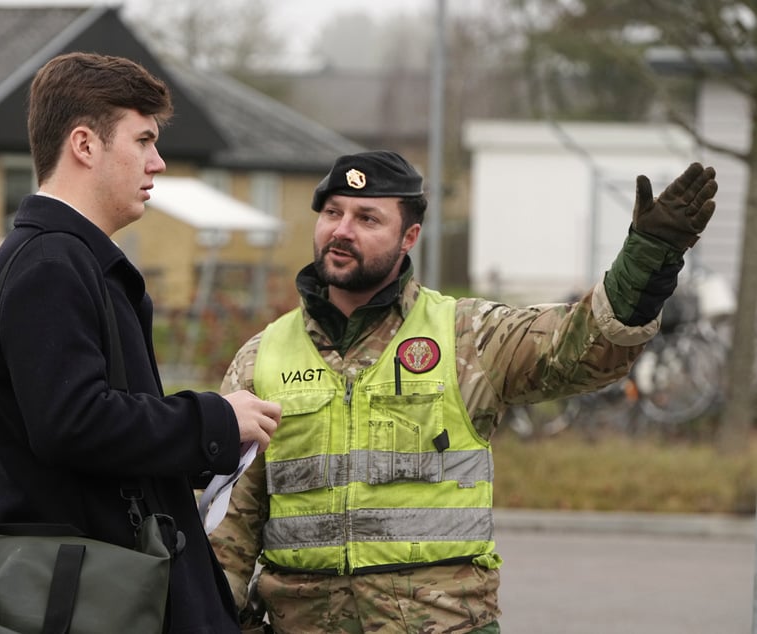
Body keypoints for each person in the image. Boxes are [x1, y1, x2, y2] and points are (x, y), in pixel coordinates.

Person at [209, 150, 717, 633]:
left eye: (367, 218)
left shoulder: (467, 336)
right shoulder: (262, 358)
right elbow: (227, 530)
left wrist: (648, 256)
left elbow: (580, 347)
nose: (341, 230)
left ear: (409, 236)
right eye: (332, 212)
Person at [0, 52, 281, 633]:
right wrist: (214, 421)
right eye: (143, 140)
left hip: (95, 587)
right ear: (85, 145)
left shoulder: (66, 258)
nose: (158, 163)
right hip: (89, 597)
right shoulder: (51, 264)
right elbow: (74, 422)